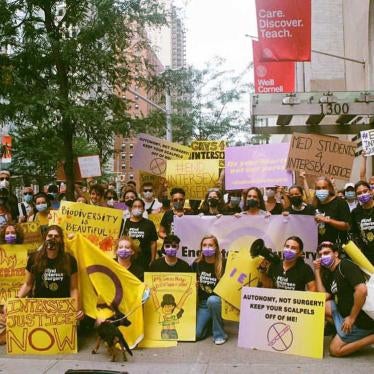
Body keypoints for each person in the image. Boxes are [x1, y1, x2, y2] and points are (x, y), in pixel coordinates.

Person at [313, 241, 374, 357]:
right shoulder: (329, 272)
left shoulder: (345, 265)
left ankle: (371, 338)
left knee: (335, 350)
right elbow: (322, 296)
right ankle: (345, 333)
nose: (323, 257)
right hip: (344, 312)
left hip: (359, 318)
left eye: (326, 253)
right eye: (320, 255)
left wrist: (351, 318)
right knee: (319, 306)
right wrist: (317, 271)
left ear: (336, 254)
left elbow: (362, 290)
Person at [18, 225, 83, 319]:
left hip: (63, 308)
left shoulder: (70, 260)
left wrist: (76, 308)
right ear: (45, 239)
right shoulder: (34, 258)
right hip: (40, 307)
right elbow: (28, 285)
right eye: (50, 236)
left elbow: (73, 289)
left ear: (61, 240)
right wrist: (15, 301)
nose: (53, 238)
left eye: (56, 236)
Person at [191, 235, 227, 345]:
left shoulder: (224, 263)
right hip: (203, 304)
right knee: (197, 334)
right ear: (201, 247)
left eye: (210, 245)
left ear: (216, 247)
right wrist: (194, 285)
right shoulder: (196, 264)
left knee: (212, 300)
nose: (207, 247)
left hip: (219, 302)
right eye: (204, 245)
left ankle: (219, 334)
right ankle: (211, 322)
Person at [313, 176, 351, 244]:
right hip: (320, 246)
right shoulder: (315, 204)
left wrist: (327, 220)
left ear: (330, 188)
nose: (321, 190)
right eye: (318, 188)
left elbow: (347, 226)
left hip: (337, 245)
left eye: (324, 188)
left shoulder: (340, 202)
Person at [123, 198, 158, 270]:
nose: (137, 208)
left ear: (143, 209)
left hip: (145, 259)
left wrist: (153, 259)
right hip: (129, 259)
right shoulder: (126, 222)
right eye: (135, 206)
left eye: (139, 206)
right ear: (131, 209)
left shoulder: (149, 224)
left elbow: (153, 243)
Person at [351, 181, 374, 264]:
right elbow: (354, 233)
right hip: (366, 255)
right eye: (359, 193)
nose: (363, 195)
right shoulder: (355, 212)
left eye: (365, 191)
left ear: (371, 191)